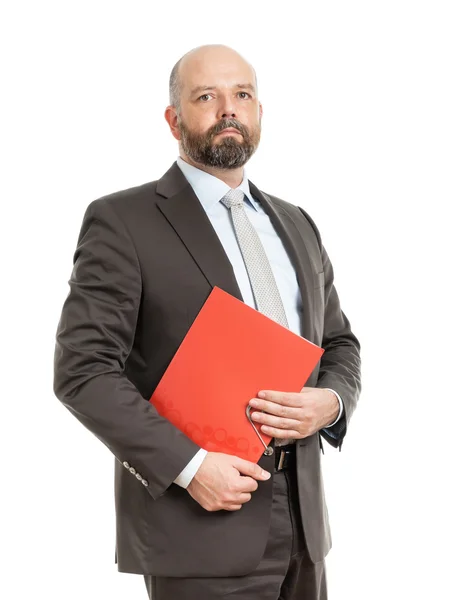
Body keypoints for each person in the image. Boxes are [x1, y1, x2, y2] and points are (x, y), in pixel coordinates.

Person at [53, 44, 361, 600]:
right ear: (173, 120)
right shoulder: (123, 221)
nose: (228, 109)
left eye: (241, 95)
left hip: (305, 527)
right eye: (206, 96)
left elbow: (338, 343)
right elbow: (83, 371)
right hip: (196, 525)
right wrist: (190, 467)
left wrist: (331, 403)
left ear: (259, 113)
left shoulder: (297, 224)